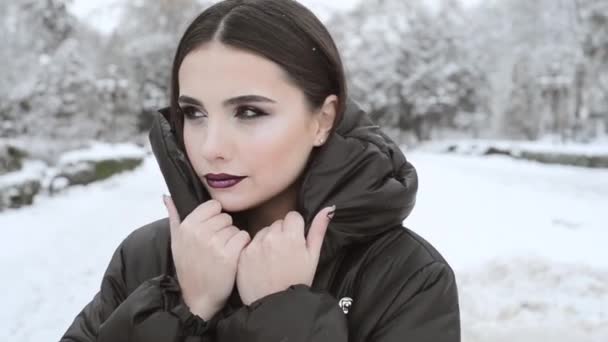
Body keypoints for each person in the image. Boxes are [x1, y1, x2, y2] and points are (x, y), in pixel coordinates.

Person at [61, 0, 460, 341]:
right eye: (193, 113)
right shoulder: (147, 256)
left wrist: (282, 315)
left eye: (249, 112)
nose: (211, 147)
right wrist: (183, 307)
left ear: (322, 119)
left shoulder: (406, 278)